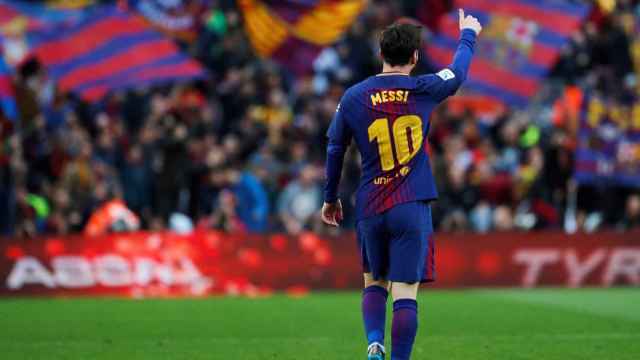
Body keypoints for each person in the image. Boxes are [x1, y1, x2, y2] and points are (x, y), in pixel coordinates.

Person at [321, 10, 482, 360]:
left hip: (370, 204)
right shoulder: (422, 88)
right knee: (405, 292)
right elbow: (457, 73)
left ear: (381, 54)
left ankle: (374, 344)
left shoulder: (353, 97)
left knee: (374, 282)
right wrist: (468, 34)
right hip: (410, 204)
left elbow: (335, 148)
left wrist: (330, 197)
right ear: (415, 57)